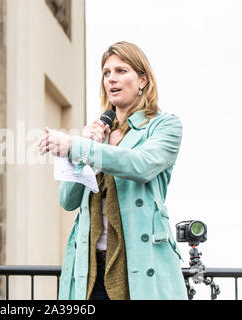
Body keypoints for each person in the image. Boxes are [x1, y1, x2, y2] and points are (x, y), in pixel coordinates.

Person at [38, 41, 188, 300]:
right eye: (106, 73)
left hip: (140, 266)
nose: (111, 79)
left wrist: (78, 147)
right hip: (91, 268)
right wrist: (85, 149)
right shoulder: (97, 137)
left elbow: (141, 165)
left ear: (142, 80)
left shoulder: (164, 126)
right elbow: (68, 200)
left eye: (121, 71)